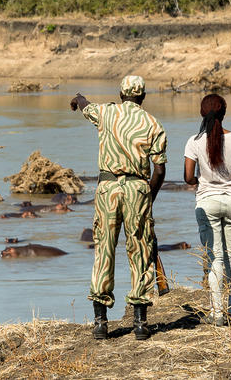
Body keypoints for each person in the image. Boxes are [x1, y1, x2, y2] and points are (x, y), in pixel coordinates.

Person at [70, 75, 166, 340]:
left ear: (121, 94)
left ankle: (101, 322)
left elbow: (85, 105)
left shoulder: (106, 112)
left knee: (104, 250)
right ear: (143, 97)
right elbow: (159, 169)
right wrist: (148, 196)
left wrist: (77, 98)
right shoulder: (152, 123)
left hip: (108, 189)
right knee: (140, 250)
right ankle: (140, 323)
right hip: (138, 189)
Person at [184, 94, 231, 326]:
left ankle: (217, 313)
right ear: (224, 113)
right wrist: (229, 179)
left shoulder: (193, 141)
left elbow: (188, 178)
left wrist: (204, 179)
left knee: (215, 258)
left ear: (202, 114)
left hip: (206, 202)